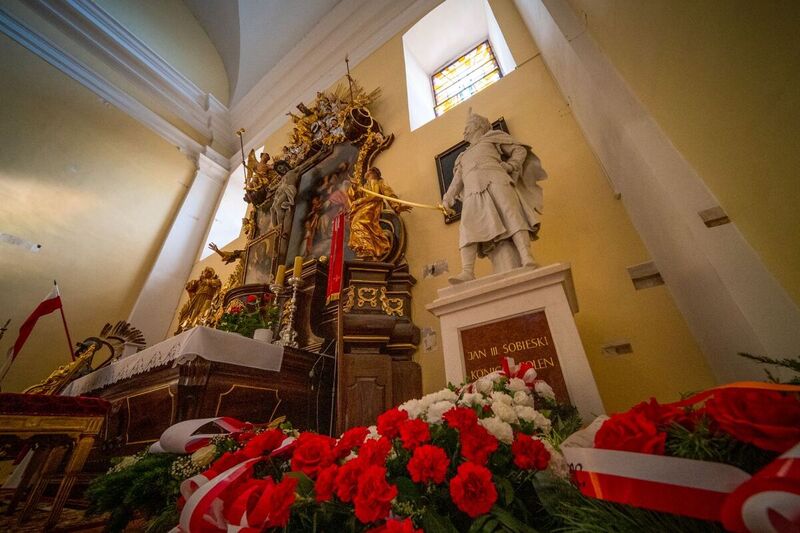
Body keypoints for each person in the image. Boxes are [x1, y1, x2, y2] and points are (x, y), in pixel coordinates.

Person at [442, 110, 547, 283]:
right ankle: (467, 272)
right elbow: (456, 181)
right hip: (472, 192)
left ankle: (527, 257)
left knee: (512, 215)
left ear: (478, 127)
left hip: (497, 180)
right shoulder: (462, 156)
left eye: (467, 127)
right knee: (467, 227)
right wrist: (447, 198)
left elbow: (519, 150)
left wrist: (511, 165)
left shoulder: (493, 138)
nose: (464, 132)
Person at [348, 167, 410, 260]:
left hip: (372, 207)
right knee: (355, 224)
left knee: (358, 223)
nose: (366, 172)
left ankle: (367, 249)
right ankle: (364, 248)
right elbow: (355, 196)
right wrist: (354, 187)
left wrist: (397, 206)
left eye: (368, 170)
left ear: (372, 172)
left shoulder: (379, 182)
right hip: (364, 207)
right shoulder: (365, 187)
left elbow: (389, 194)